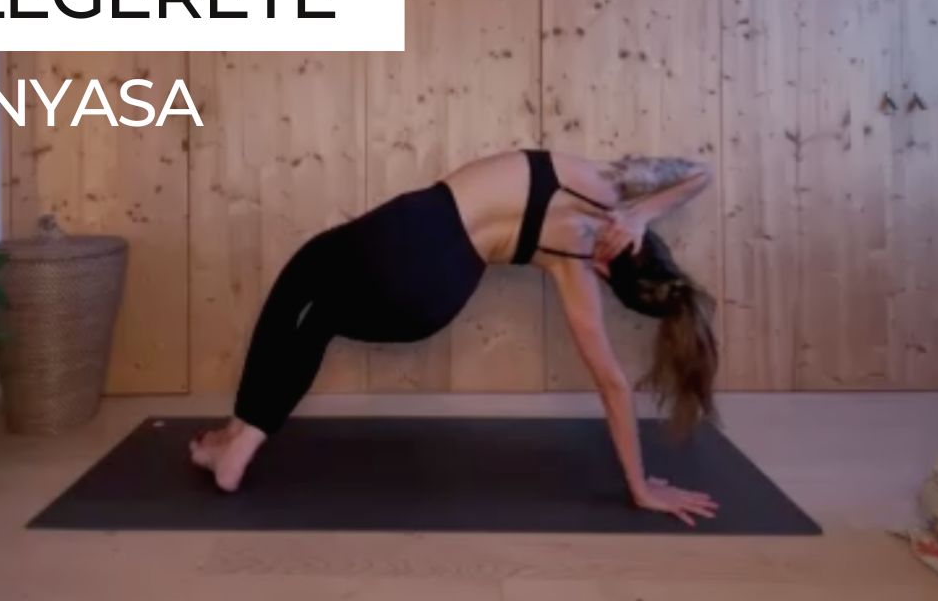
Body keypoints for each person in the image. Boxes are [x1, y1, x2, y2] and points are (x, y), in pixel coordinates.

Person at [190, 149, 720, 526]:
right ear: (616, 278)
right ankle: (238, 442)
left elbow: (701, 171)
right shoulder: (576, 269)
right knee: (322, 316)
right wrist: (640, 486)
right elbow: (612, 384)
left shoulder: (601, 183)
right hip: (432, 301)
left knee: (302, 277)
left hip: (420, 228)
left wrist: (643, 211)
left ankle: (242, 435)